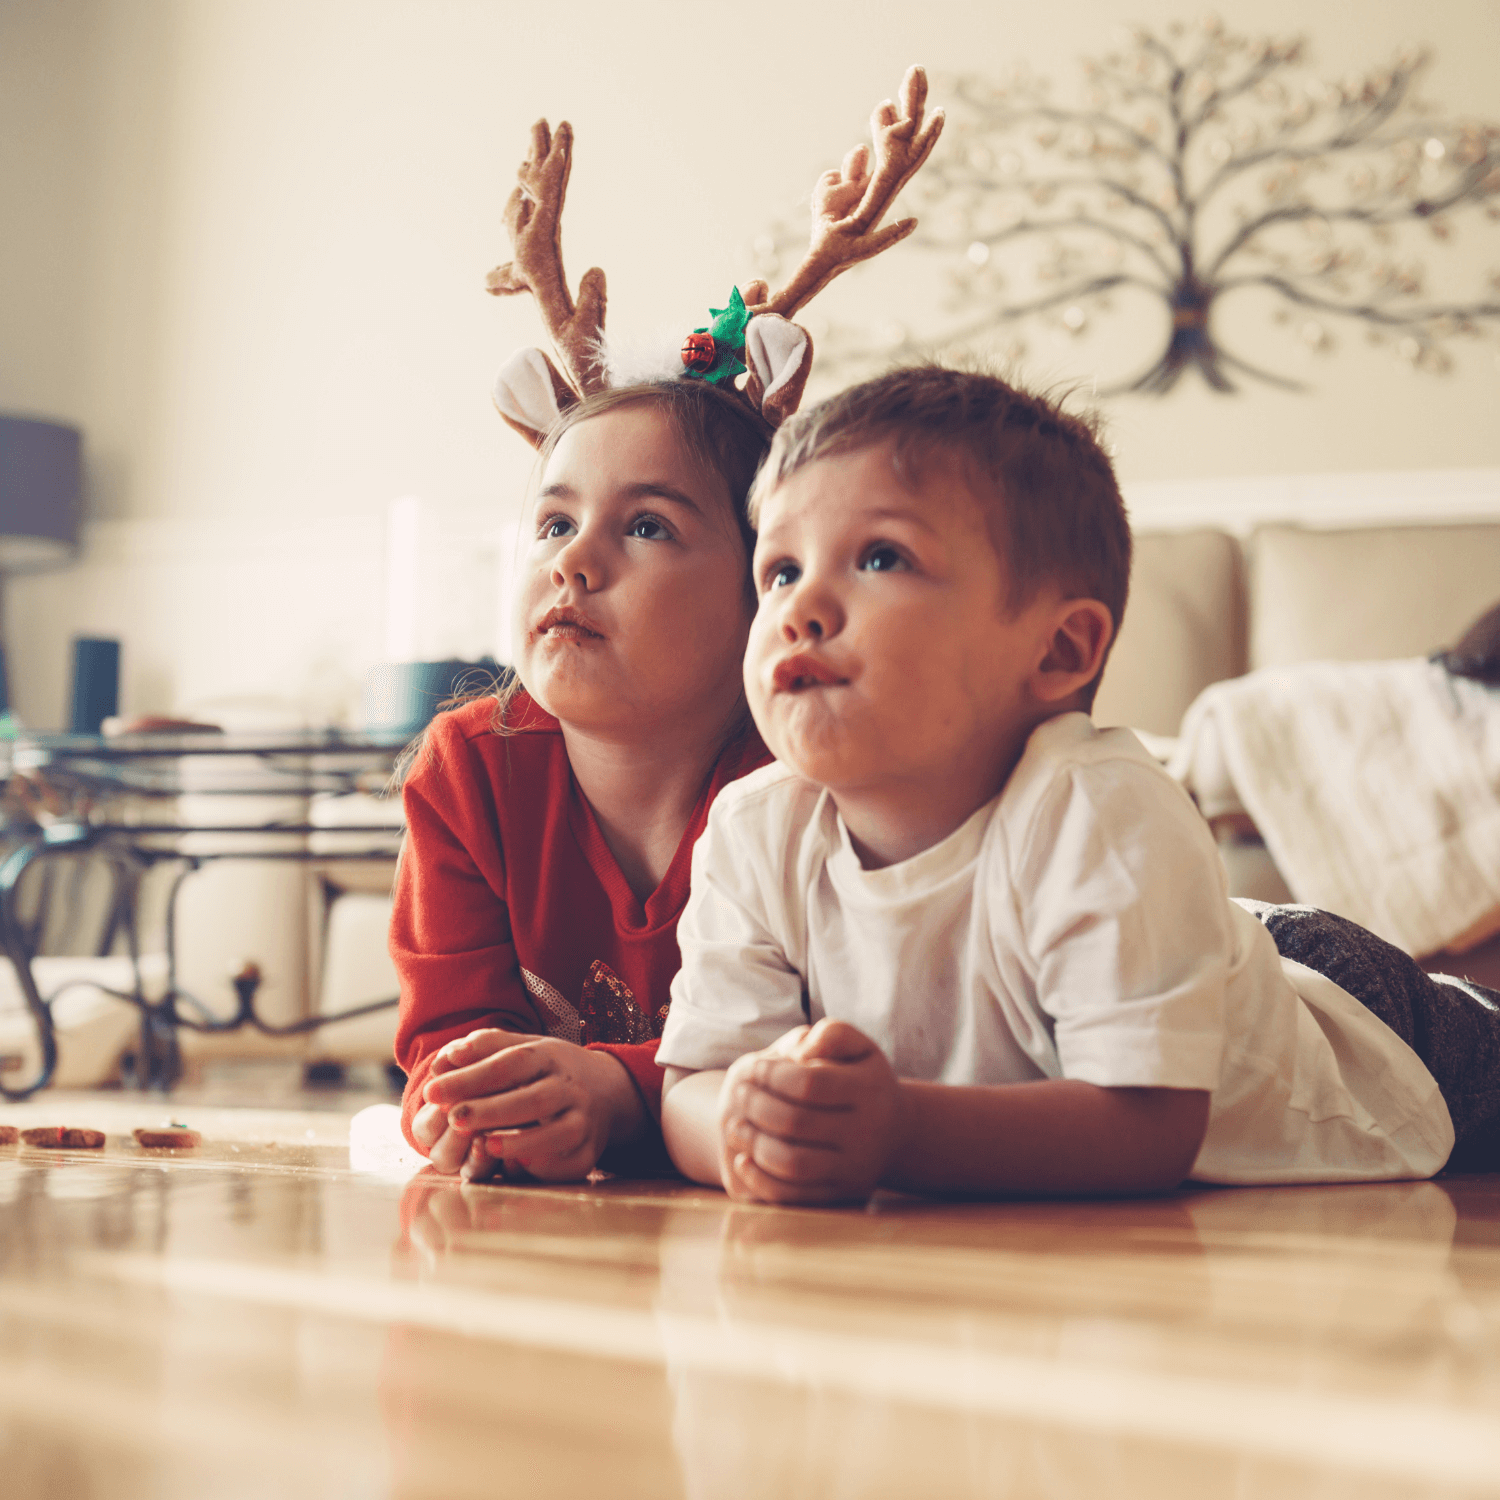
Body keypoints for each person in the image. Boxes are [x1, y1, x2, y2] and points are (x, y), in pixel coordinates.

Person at [657, 365, 1500, 1204]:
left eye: (881, 557)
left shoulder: (1097, 808)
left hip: (1364, 1025)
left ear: (1059, 652)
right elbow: (693, 1085)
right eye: (779, 572)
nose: (800, 609)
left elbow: (1147, 1129)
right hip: (1186, 942)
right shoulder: (750, 828)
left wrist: (895, 1131)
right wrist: (746, 1124)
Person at [392, 380, 772, 1181]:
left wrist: (621, 1094)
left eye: (647, 526)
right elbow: (443, 1039)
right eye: (555, 523)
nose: (572, 559)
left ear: (763, 591)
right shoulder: (466, 771)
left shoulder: (804, 790)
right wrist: (468, 1107)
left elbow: (812, 1049)